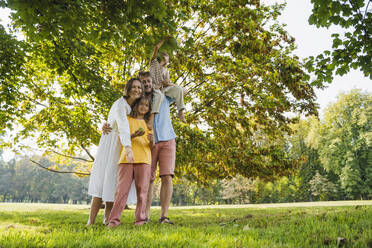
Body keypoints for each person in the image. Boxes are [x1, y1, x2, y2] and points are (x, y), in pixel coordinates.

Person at [86, 78, 143, 226]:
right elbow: (122, 126)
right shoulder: (120, 104)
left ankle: (107, 219)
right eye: (134, 87)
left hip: (122, 145)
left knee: (113, 183)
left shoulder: (135, 106)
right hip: (112, 145)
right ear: (128, 89)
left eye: (139, 87)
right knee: (102, 182)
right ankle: (90, 221)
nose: (137, 90)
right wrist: (129, 148)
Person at [107, 97, 154, 227]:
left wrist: (151, 141)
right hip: (126, 159)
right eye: (141, 104)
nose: (144, 107)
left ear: (149, 109)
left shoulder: (148, 124)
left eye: (146, 105)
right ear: (136, 105)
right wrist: (133, 135)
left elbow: (151, 147)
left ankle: (140, 219)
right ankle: (114, 220)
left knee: (142, 191)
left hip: (144, 159)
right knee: (121, 191)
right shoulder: (126, 119)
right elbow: (120, 137)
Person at [139, 71, 177, 224]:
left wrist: (168, 83)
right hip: (149, 143)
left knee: (167, 176)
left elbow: (181, 91)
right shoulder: (139, 102)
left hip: (168, 139)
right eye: (144, 82)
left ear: (152, 82)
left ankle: (164, 216)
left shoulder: (163, 95)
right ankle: (145, 216)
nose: (147, 84)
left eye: (148, 81)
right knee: (148, 179)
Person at [147, 37, 186, 130]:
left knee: (179, 89)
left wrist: (172, 85)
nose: (166, 57)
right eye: (164, 56)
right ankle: (152, 118)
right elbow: (156, 47)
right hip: (153, 87)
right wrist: (164, 39)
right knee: (159, 95)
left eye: (167, 57)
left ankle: (180, 111)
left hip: (162, 88)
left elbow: (167, 83)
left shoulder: (166, 71)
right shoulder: (153, 63)